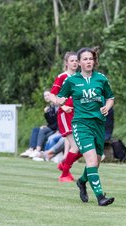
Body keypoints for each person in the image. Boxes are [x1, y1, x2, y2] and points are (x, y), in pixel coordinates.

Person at [55, 47, 115, 206]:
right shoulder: (71, 80)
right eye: (85, 59)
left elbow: (110, 97)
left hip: (99, 124)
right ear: (79, 62)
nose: (88, 62)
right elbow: (59, 97)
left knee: (96, 161)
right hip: (81, 125)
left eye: (91, 59)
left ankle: (82, 182)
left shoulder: (101, 78)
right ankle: (100, 197)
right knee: (91, 160)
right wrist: (61, 104)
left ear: (94, 61)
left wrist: (107, 107)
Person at [49, 51, 82, 182]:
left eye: (76, 61)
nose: (74, 63)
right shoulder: (63, 77)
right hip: (65, 114)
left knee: (84, 148)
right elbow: (52, 95)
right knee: (75, 146)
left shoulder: (81, 77)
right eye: (72, 61)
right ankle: (64, 174)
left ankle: (64, 164)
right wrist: (62, 106)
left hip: (78, 114)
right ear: (66, 63)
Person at [20, 90, 58, 158]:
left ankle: (38, 150)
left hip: (57, 128)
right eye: (45, 96)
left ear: (52, 95)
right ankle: (31, 149)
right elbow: (50, 121)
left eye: (48, 95)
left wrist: (47, 127)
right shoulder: (49, 106)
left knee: (42, 130)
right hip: (52, 126)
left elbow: (57, 121)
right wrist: (46, 113)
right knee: (35, 129)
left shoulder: (56, 105)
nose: (46, 97)